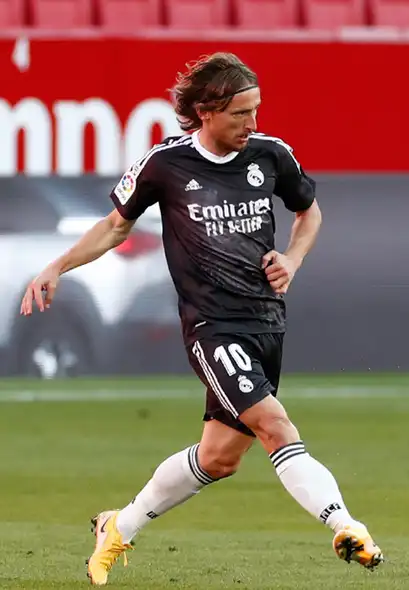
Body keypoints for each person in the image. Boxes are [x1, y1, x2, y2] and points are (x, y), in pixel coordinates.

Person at [20, 52, 383, 586]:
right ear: (208, 111)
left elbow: (310, 212)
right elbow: (114, 227)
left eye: (257, 110)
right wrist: (58, 265)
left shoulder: (270, 155)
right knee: (275, 427)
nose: (253, 123)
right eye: (241, 113)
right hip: (213, 328)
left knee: (219, 458)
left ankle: (117, 526)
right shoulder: (165, 165)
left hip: (267, 324)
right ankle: (344, 524)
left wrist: (293, 259)